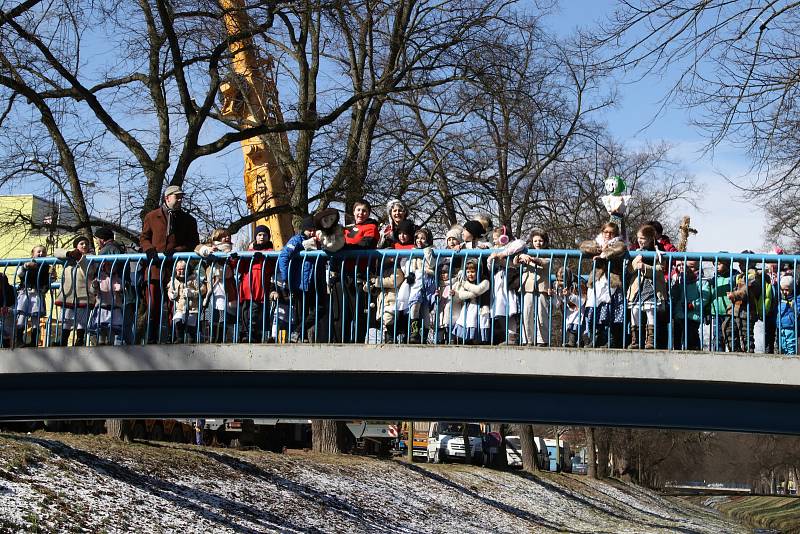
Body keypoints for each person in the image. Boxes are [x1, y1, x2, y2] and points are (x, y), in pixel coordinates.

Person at [140, 185, 200, 344]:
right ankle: (151, 338)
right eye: (177, 197)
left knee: (175, 305)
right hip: (154, 267)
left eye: (181, 197)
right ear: (167, 198)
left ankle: (174, 338)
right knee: (153, 304)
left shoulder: (188, 220)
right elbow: (144, 238)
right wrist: (149, 250)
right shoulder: (152, 216)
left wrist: (176, 250)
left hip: (176, 268)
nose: (180, 200)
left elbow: (193, 242)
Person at [579, 222, 628, 348]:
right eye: (606, 232)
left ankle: (612, 339)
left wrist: (604, 254)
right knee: (594, 309)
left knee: (612, 311)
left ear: (616, 234)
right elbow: (583, 246)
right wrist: (599, 249)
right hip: (597, 281)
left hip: (612, 281)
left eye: (611, 232)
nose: (608, 234)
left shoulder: (619, 243)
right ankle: (597, 337)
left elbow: (619, 249)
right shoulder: (598, 242)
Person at [341, 200, 379, 343]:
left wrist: (343, 248)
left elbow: (365, 244)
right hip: (344, 274)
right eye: (358, 210)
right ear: (353, 212)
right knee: (344, 313)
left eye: (364, 211)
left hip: (360, 274)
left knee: (359, 313)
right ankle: (342, 342)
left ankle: (358, 342)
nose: (361, 213)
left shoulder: (371, 227)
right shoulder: (347, 230)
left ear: (368, 213)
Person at [277, 217, 318, 343]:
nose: (311, 233)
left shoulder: (317, 241)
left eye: (314, 230)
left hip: (313, 282)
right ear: (303, 229)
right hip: (300, 283)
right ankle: (300, 336)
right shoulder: (296, 240)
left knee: (317, 310)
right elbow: (284, 256)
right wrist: (286, 278)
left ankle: (301, 335)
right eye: (309, 230)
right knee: (301, 313)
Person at [92, 227, 135, 345]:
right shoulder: (119, 248)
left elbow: (97, 266)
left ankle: (120, 350)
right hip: (124, 290)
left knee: (119, 326)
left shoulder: (107, 250)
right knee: (124, 326)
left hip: (117, 294)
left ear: (101, 239)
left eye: (97, 239)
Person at [626, 224, 666, 350]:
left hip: (651, 287)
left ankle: (650, 340)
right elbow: (629, 270)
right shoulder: (635, 252)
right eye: (638, 237)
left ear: (650, 239)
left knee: (650, 312)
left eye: (642, 238)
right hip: (637, 287)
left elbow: (661, 269)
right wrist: (635, 264)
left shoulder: (658, 252)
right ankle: (635, 340)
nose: (639, 240)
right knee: (635, 311)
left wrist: (645, 267)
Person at [196, 228, 239, 343]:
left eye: (228, 235)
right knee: (212, 315)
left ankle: (220, 339)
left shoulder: (231, 251)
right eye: (224, 236)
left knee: (224, 316)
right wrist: (207, 250)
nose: (227, 238)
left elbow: (233, 269)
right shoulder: (211, 247)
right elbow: (197, 248)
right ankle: (211, 339)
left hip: (226, 287)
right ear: (217, 238)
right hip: (213, 287)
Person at [487, 226, 525, 345]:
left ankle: (512, 336)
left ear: (504, 238)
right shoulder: (494, 249)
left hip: (509, 282)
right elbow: (490, 268)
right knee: (500, 309)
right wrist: (491, 259)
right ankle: (507, 335)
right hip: (498, 283)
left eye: (496, 238)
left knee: (511, 309)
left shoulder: (512, 245)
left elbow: (521, 243)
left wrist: (503, 254)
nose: (494, 241)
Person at [238, 225, 275, 343]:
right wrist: (237, 258)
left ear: (268, 237)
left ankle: (251, 334)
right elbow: (240, 268)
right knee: (245, 311)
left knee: (255, 312)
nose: (262, 237)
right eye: (259, 235)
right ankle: (245, 334)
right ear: (255, 237)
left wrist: (262, 256)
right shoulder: (248, 252)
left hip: (260, 288)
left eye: (264, 235)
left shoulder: (271, 252)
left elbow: (272, 268)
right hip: (247, 287)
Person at [55, 236, 94, 347]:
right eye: (81, 243)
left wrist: (81, 258)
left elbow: (89, 271)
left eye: (86, 243)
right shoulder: (68, 257)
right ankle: (63, 340)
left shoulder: (90, 257)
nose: (84, 245)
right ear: (76, 246)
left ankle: (80, 340)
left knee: (82, 319)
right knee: (67, 319)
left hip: (83, 294)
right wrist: (69, 254)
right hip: (69, 294)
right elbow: (56, 252)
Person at [515, 229, 552, 347]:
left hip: (542, 287)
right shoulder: (527, 251)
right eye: (535, 240)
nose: (538, 243)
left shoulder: (549, 253)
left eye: (540, 240)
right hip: (528, 286)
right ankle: (527, 339)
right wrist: (521, 255)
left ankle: (542, 340)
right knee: (527, 312)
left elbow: (545, 262)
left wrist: (533, 259)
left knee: (542, 313)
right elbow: (515, 261)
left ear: (545, 242)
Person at [14, 245, 51, 347]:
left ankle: (34, 340)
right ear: (32, 253)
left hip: (37, 293)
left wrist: (51, 278)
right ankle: (19, 339)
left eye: (43, 252)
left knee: (35, 316)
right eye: (38, 252)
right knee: (22, 314)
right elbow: (20, 273)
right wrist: (26, 266)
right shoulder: (27, 264)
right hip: (25, 292)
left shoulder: (46, 266)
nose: (41, 254)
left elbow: (48, 281)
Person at [670, 260, 709, 351]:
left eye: (691, 267)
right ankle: (677, 356)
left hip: (693, 315)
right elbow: (674, 295)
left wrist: (693, 305)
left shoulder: (701, 280)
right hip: (680, 314)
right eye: (686, 267)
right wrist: (675, 284)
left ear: (697, 268)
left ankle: (695, 354)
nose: (688, 269)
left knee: (691, 337)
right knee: (677, 338)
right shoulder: (680, 279)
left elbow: (705, 297)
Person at [450, 258, 490, 344]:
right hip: (468, 310)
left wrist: (465, 284)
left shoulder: (485, 281)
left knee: (477, 327)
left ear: (478, 271)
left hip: (480, 310)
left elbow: (478, 289)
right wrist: (473, 293)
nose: (470, 274)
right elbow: (461, 295)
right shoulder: (467, 283)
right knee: (466, 328)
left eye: (472, 272)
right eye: (468, 272)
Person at [166, 260, 206, 343]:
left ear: (187, 269)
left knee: (191, 329)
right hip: (180, 308)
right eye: (179, 270)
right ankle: (179, 339)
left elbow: (203, 289)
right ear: (176, 270)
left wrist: (193, 293)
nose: (181, 271)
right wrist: (171, 294)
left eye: (183, 269)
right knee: (177, 321)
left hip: (192, 308)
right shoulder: (174, 280)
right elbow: (169, 289)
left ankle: (191, 341)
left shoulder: (193, 278)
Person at [708, 255, 735, 351]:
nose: (716, 266)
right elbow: (710, 296)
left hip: (730, 313)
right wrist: (708, 311)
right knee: (717, 336)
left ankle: (734, 355)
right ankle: (718, 355)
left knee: (731, 336)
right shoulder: (714, 279)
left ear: (727, 264)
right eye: (714, 264)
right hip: (716, 313)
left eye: (719, 264)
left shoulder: (733, 277)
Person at [777, 275, 800, 355]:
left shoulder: (796, 298)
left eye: (786, 290)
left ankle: (791, 360)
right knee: (782, 345)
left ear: (792, 289)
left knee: (791, 345)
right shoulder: (780, 298)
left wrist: (793, 305)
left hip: (790, 326)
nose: (784, 292)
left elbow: (798, 311)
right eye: (782, 290)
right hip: (781, 325)